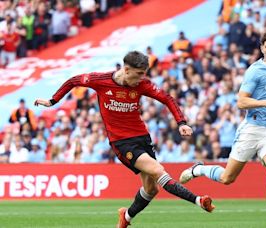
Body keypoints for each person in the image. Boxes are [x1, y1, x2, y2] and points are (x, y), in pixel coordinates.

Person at [34, 50, 215, 228]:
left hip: (142, 137)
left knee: (152, 189)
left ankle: (125, 218)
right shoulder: (100, 80)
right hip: (122, 142)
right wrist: (52, 101)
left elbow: (166, 98)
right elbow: (73, 81)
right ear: (126, 70)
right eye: (138, 74)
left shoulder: (142, 85)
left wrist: (181, 122)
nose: (141, 79)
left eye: (144, 74)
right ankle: (199, 200)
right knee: (158, 170)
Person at [179, 28, 266, 228]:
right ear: (261, 48)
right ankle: (199, 169)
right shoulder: (255, 71)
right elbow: (241, 102)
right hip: (251, 129)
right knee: (227, 178)